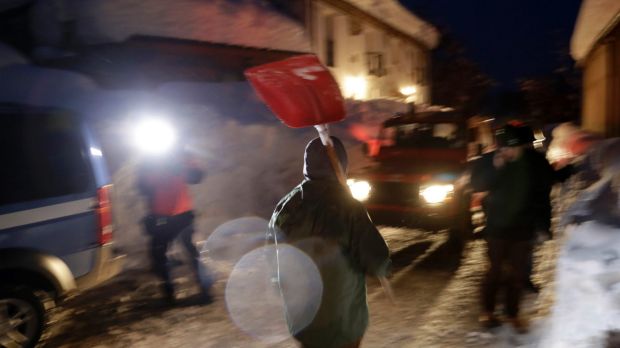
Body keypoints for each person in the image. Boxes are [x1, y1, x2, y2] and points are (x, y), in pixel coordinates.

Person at [269, 136, 391, 348]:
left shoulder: (286, 206)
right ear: (342, 164)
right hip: (342, 325)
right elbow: (377, 260)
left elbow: (272, 258)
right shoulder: (349, 209)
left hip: (303, 322)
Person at [470, 123, 556, 332]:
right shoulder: (490, 161)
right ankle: (488, 312)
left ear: (520, 146)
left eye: (509, 147)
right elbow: (478, 185)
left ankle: (512, 314)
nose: (505, 151)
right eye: (502, 148)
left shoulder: (534, 162)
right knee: (494, 272)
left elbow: (545, 192)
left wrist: (544, 224)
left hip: (523, 227)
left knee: (517, 275)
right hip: (497, 228)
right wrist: (495, 168)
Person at [137, 148, 213, 304]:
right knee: (158, 254)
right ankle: (168, 291)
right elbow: (142, 186)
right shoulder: (148, 161)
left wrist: (187, 165)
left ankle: (205, 290)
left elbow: (196, 177)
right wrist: (153, 173)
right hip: (160, 217)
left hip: (182, 214)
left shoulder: (181, 157)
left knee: (192, 251)